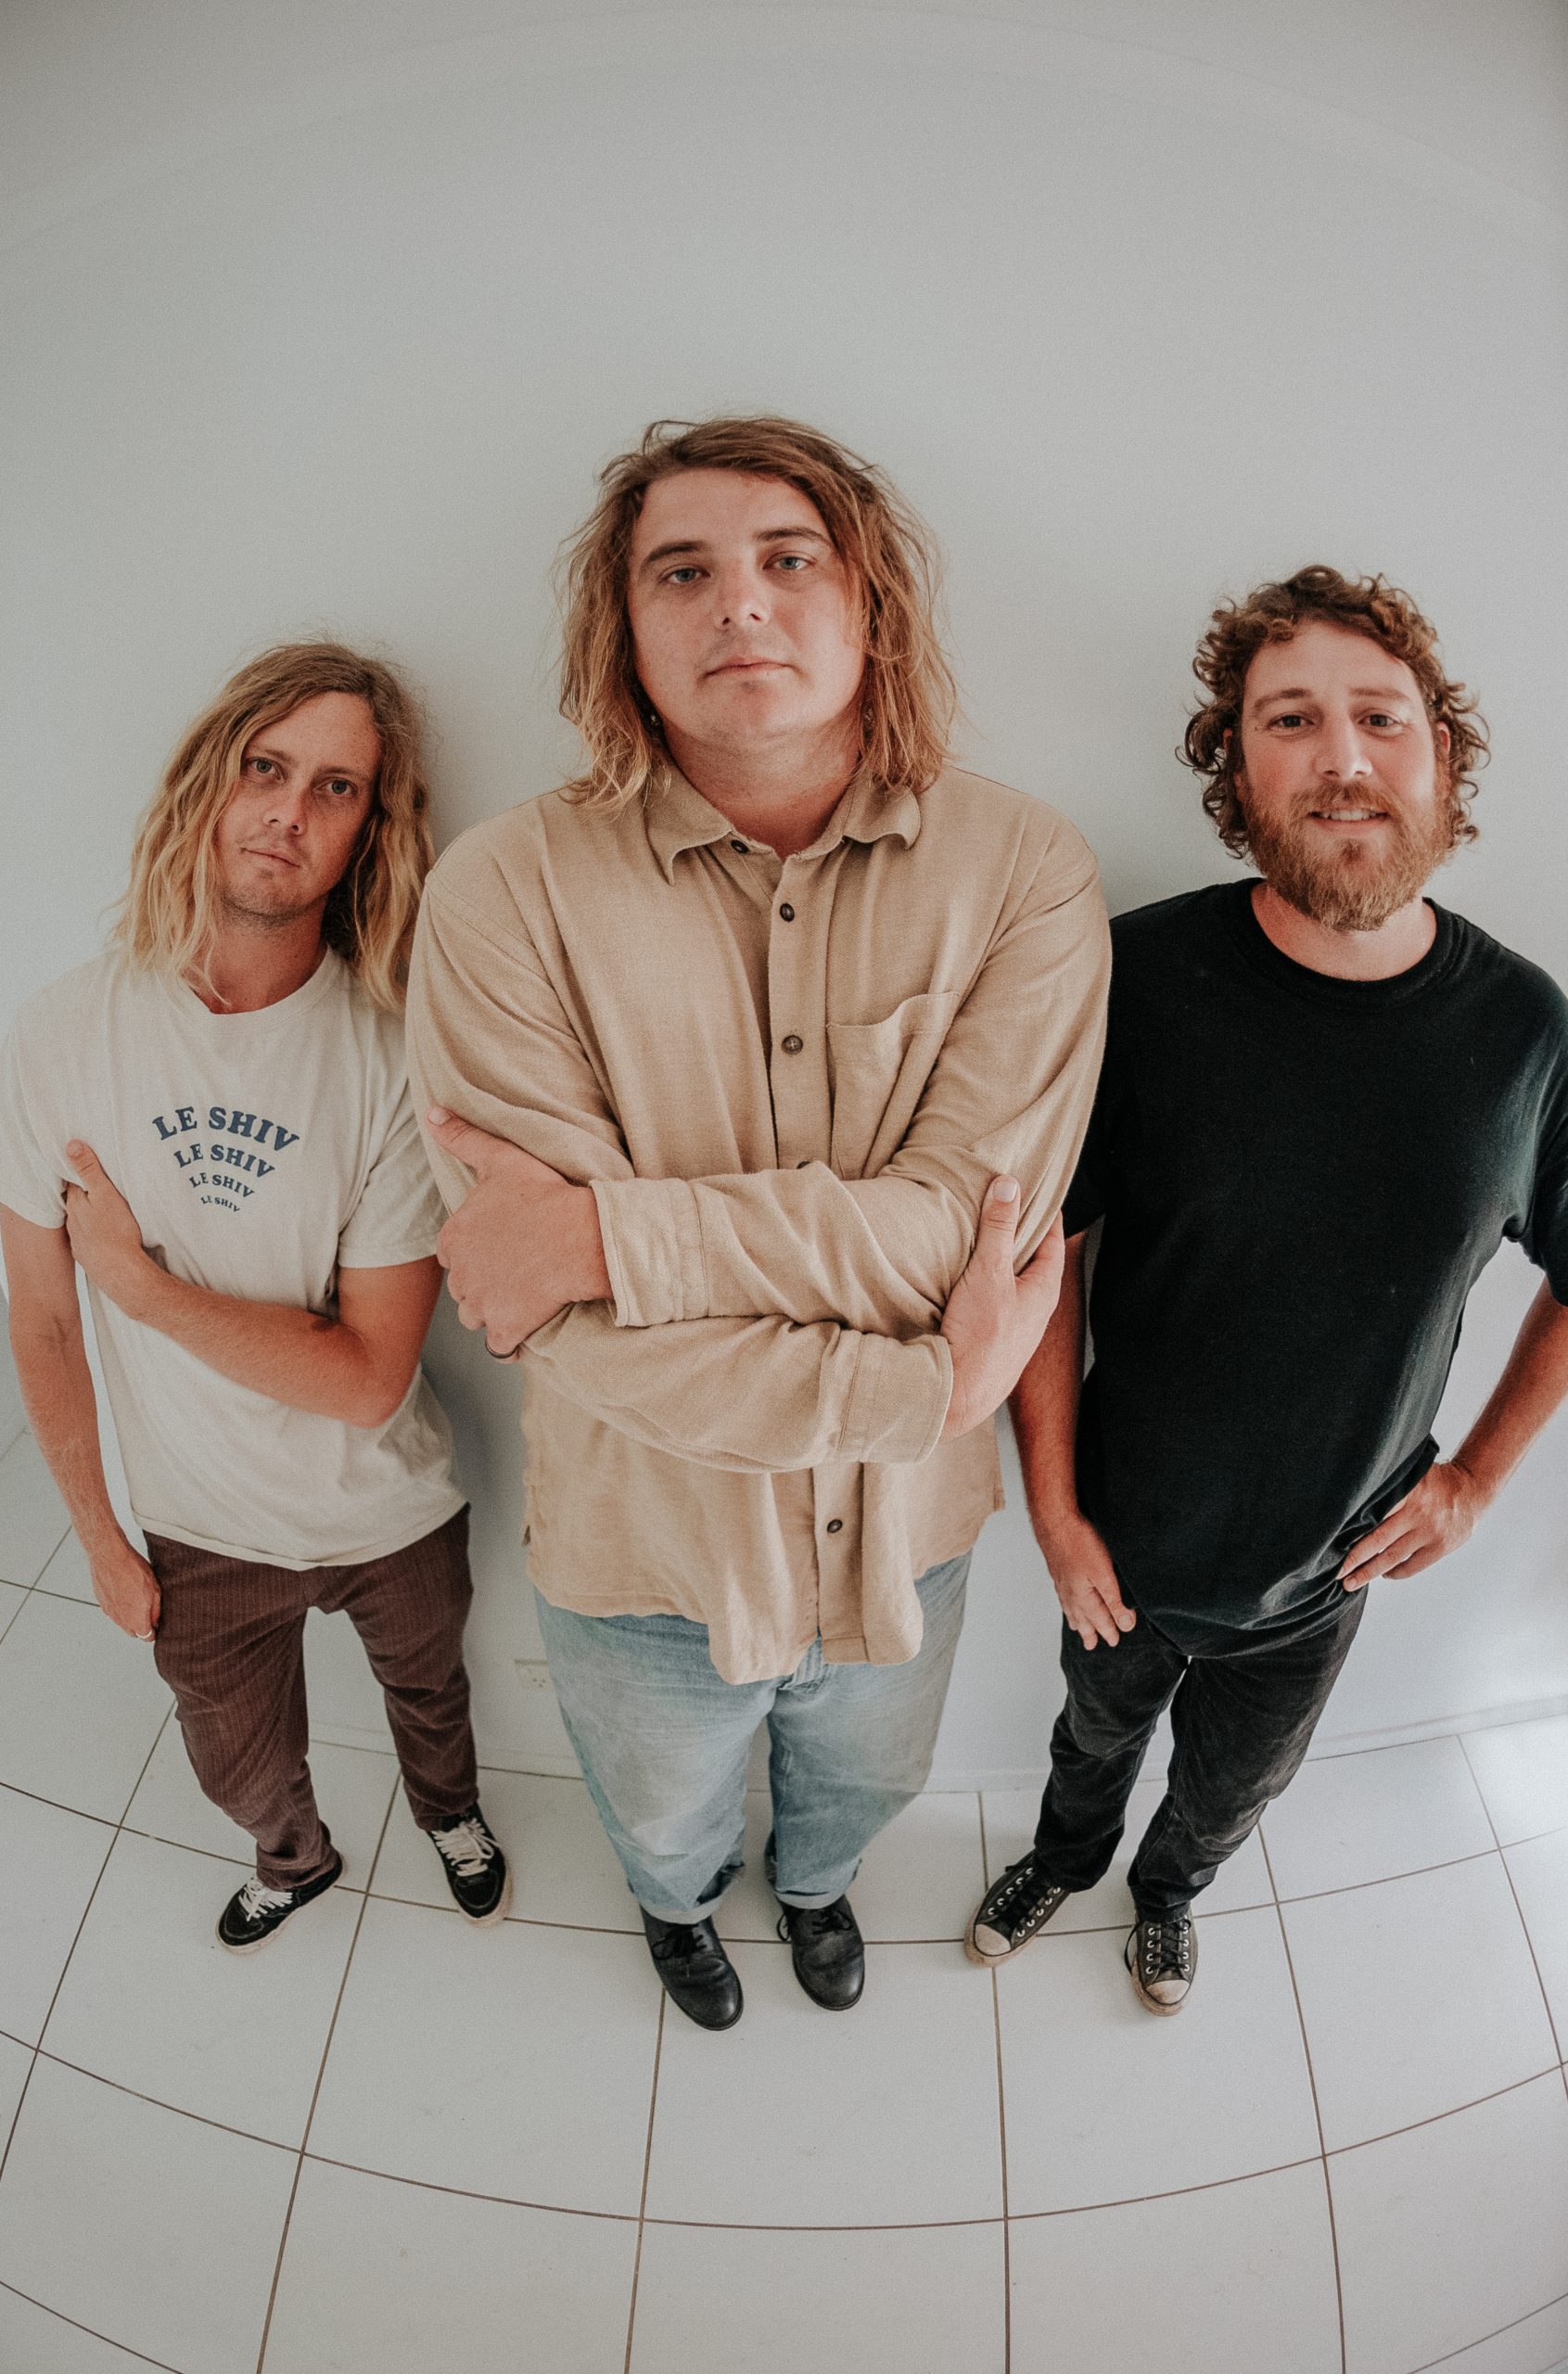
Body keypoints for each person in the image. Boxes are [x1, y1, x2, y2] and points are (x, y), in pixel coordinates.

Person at [405, 415, 1110, 2027]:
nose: (741, 601)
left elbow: (965, 1234)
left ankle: (815, 1892)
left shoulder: (1024, 872)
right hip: (642, 1545)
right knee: (659, 1815)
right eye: (683, 571)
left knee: (864, 1786)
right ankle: (678, 1917)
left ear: (870, 602)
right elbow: (552, 1315)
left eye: (791, 558)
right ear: (623, 628)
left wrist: (613, 1237)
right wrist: (929, 1386)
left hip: (907, 1543)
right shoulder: (501, 893)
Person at [965, 566, 1568, 2011]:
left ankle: (1168, 1895)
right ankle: (1062, 1859)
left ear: (1442, 757)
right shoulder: (1134, 978)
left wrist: (1475, 1481)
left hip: (1328, 1573)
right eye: (1291, 720)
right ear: (1237, 772)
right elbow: (1049, 1253)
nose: (1342, 756)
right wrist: (1054, 1512)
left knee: (1236, 1786)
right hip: (1119, 1542)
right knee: (1088, 1742)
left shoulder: (1525, 1035)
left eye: (1381, 717)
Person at [0, 644, 509, 1951]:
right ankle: (295, 1860)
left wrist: (139, 1285)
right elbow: (43, 1321)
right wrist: (100, 1540)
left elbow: (368, 1379)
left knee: (433, 1700)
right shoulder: (61, 1035)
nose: (289, 810)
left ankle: (450, 1814)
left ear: (368, 832)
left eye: (336, 788)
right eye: (265, 768)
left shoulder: (392, 1057)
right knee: (235, 1764)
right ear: (206, 784)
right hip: (197, 1525)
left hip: (386, 1506)